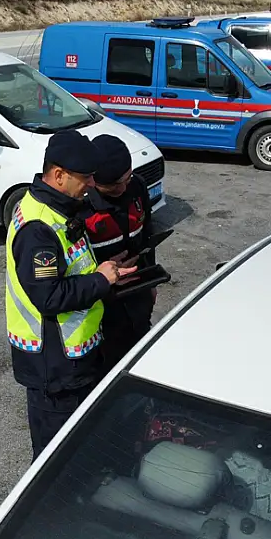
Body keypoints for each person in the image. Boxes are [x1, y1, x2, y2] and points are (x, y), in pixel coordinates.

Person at [5, 130, 137, 462]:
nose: (92, 183)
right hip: (55, 366)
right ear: (59, 175)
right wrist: (100, 282)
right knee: (56, 455)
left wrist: (106, 272)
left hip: (74, 357)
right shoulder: (39, 228)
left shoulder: (59, 209)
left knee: (81, 443)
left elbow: (72, 268)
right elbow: (48, 297)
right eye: (86, 177)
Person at [81, 135, 158, 373]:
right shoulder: (80, 207)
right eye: (114, 185)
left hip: (137, 292)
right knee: (110, 365)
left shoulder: (137, 186)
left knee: (141, 355)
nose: (123, 188)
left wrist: (151, 280)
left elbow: (147, 233)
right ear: (94, 181)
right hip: (102, 303)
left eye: (127, 178)